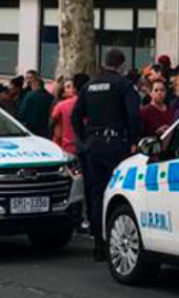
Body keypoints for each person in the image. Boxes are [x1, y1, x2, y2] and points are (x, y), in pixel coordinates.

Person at [72, 49, 140, 261]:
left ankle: (98, 244)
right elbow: (133, 115)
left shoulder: (89, 85)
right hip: (116, 145)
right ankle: (113, 240)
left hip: (93, 146)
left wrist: (85, 140)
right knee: (119, 194)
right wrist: (133, 141)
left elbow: (75, 117)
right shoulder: (123, 85)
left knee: (96, 193)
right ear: (121, 65)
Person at [51, 74, 88, 155]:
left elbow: (51, 124)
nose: (70, 89)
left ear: (75, 89)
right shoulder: (91, 103)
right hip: (85, 146)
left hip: (66, 147)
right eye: (67, 87)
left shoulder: (61, 105)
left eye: (70, 86)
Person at [16, 69, 53, 138]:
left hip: (35, 127)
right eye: (27, 78)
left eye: (31, 78)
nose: (28, 80)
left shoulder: (32, 95)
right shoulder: (23, 92)